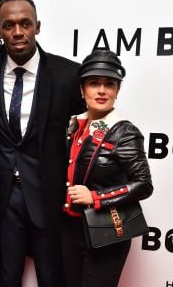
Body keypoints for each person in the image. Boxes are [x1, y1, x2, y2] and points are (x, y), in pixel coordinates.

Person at [0, 0, 86, 287]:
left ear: (38, 26)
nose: (18, 32)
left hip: (48, 196)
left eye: (25, 23)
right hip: (4, 197)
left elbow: (88, 123)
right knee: (5, 277)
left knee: (52, 277)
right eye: (8, 25)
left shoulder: (67, 74)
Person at [62, 49, 154, 287]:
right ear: (82, 90)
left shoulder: (125, 132)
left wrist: (94, 197)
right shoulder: (74, 125)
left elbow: (143, 184)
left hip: (106, 232)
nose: (102, 90)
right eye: (94, 83)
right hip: (70, 230)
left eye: (109, 84)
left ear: (117, 90)